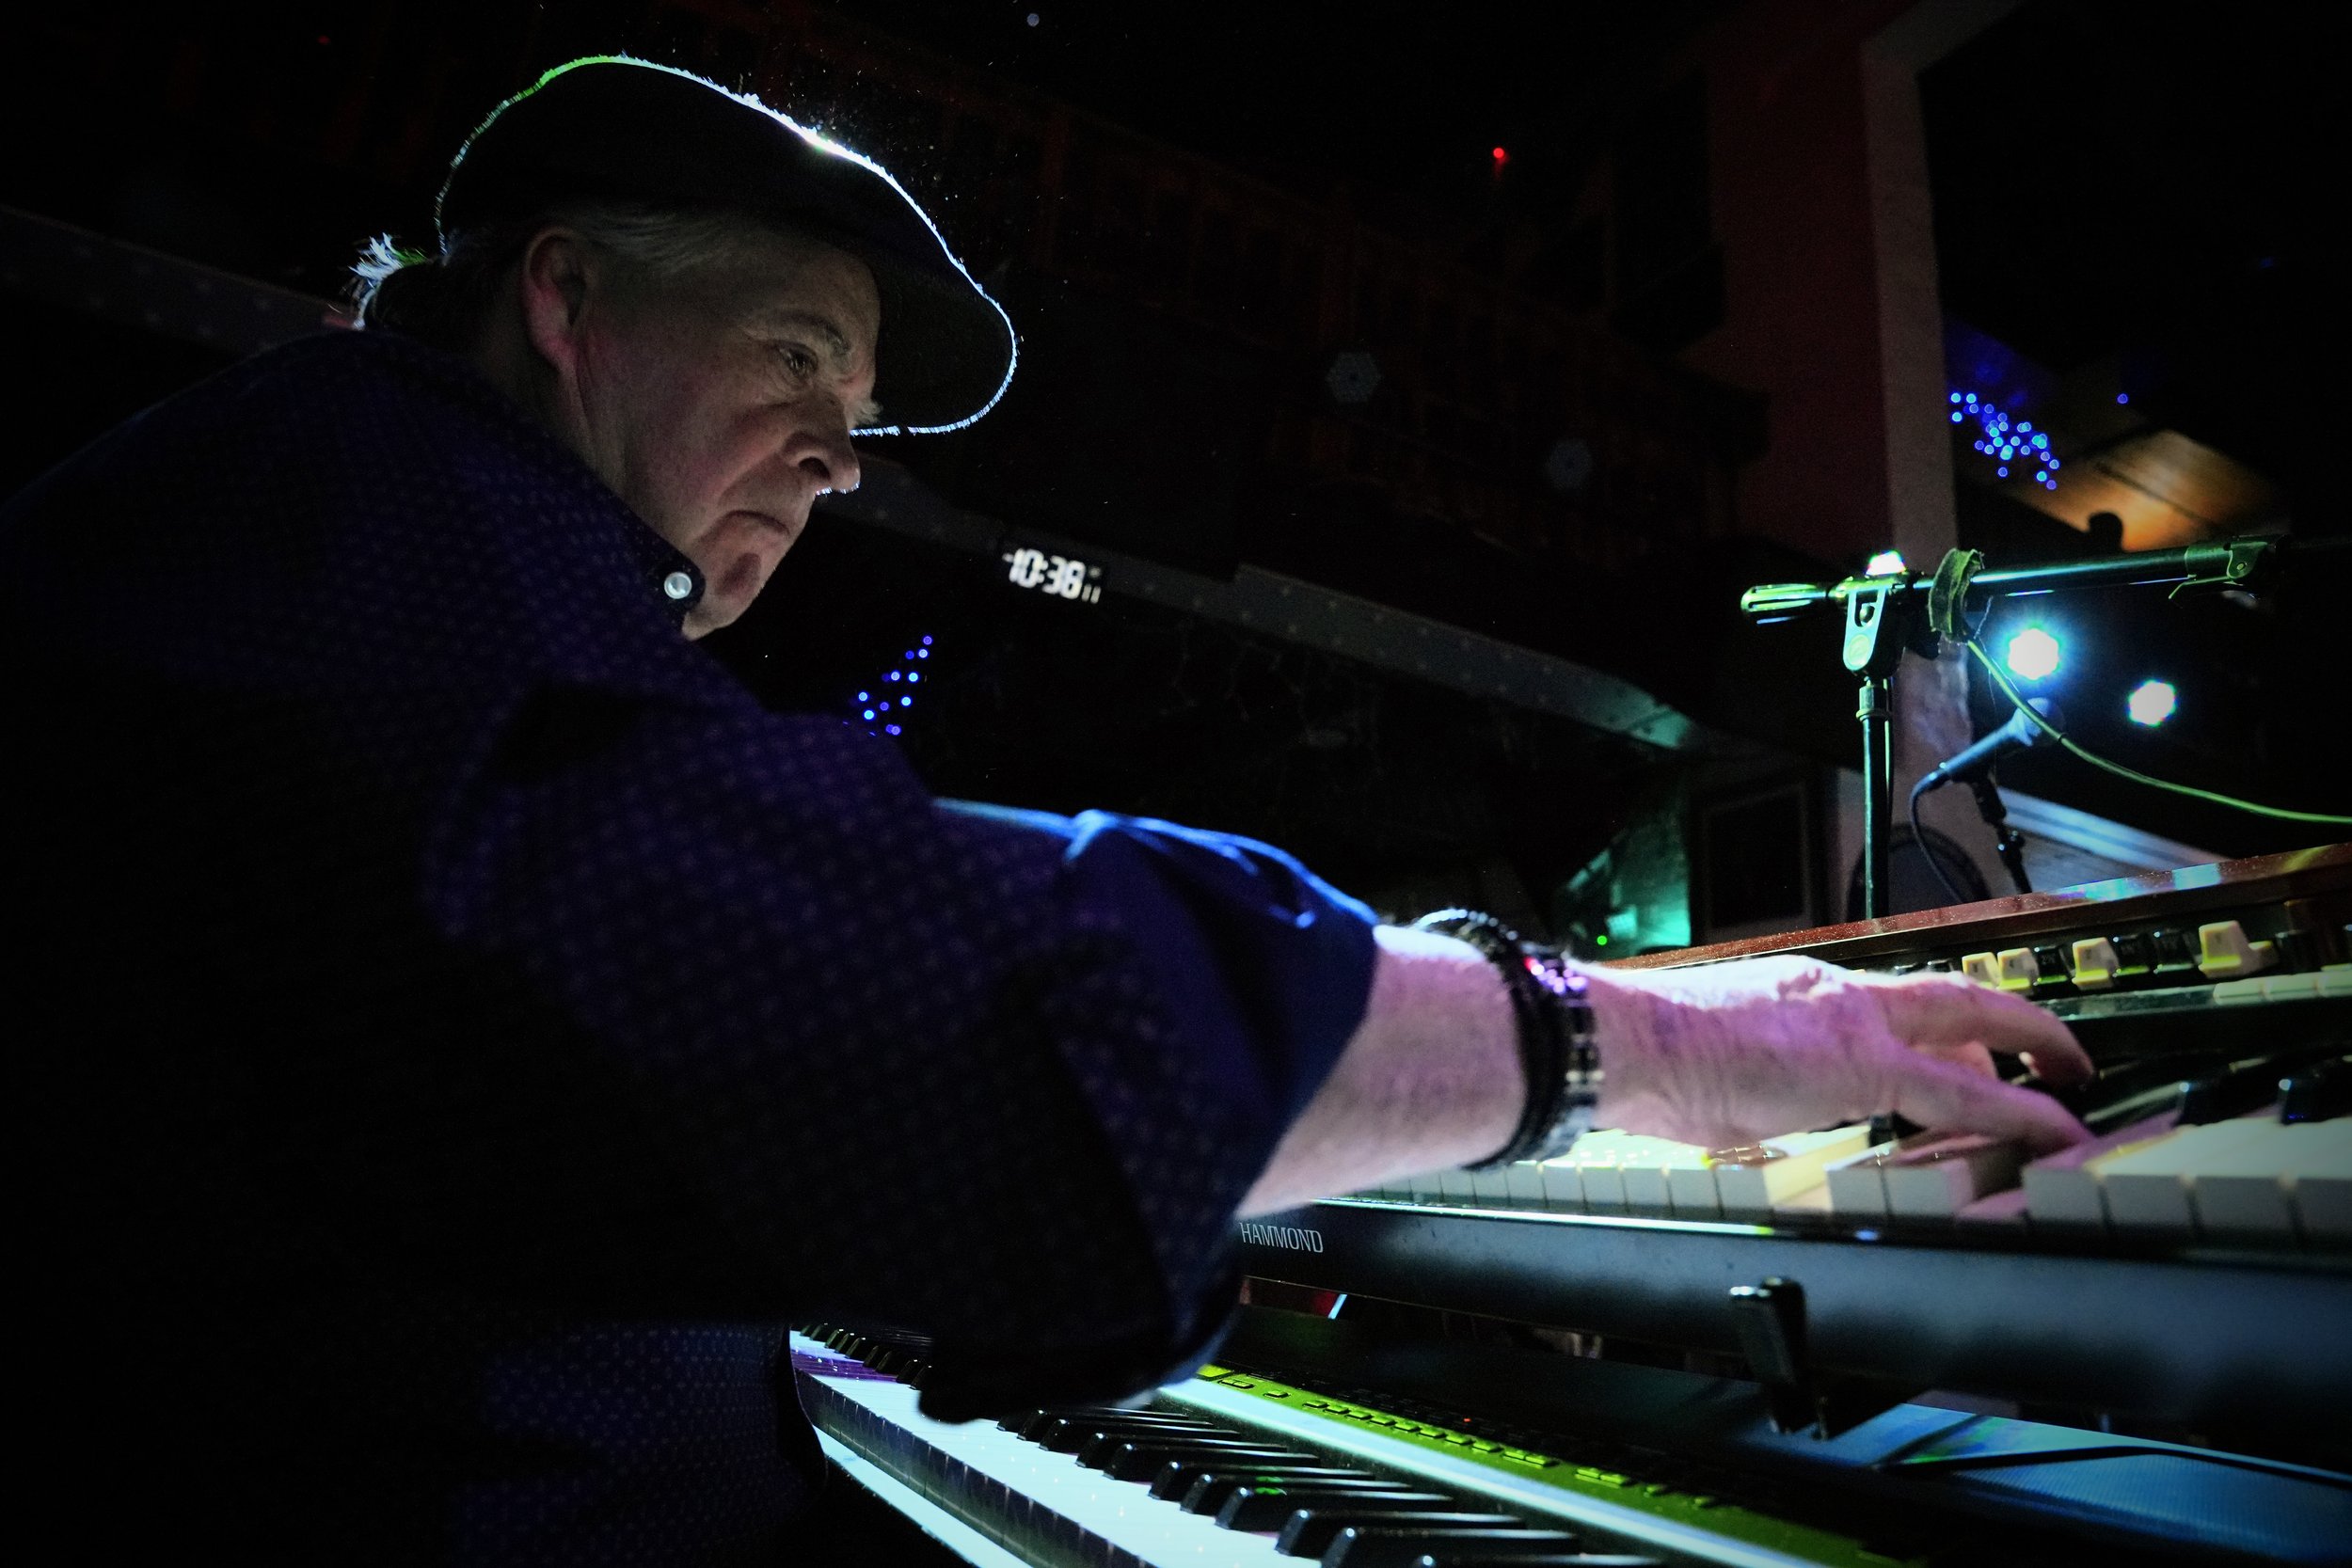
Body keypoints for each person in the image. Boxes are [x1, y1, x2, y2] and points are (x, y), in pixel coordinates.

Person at [2, 57, 2090, 1565]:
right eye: (797, 357)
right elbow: (832, 983)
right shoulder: (352, 513)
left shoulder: (404, 526)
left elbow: (556, 1108)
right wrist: (1621, 1044)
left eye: (854, 416)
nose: (841, 459)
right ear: (567, 300)